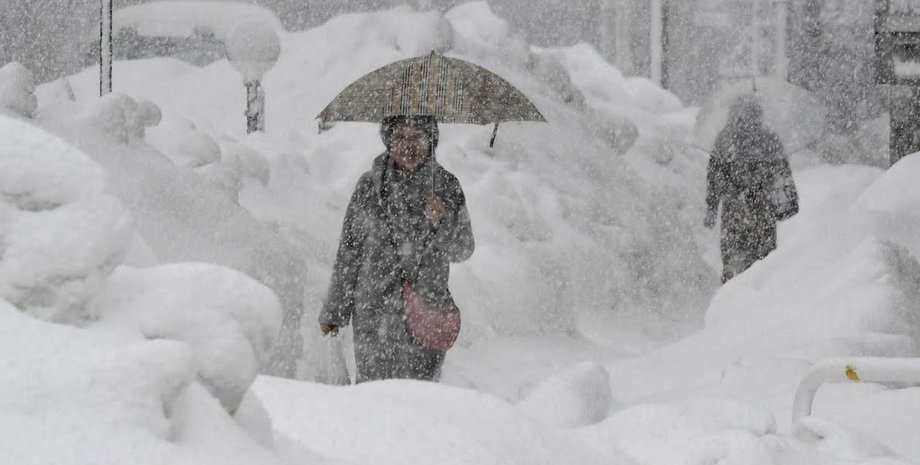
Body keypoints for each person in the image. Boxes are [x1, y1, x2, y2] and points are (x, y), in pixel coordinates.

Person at [319, 115, 475, 382]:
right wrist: (335, 311)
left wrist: (443, 221)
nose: (408, 145)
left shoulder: (447, 187)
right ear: (388, 140)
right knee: (374, 398)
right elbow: (349, 251)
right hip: (374, 313)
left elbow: (463, 249)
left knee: (419, 401)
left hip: (426, 310)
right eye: (400, 137)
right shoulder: (368, 186)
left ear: (431, 140)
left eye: (417, 137)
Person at [704, 95, 796, 283]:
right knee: (764, 261)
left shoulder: (724, 139)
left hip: (733, 209)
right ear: (759, 114)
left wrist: (712, 207)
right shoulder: (769, 138)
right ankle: (758, 297)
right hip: (763, 208)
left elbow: (714, 176)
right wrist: (786, 202)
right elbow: (781, 173)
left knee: (733, 256)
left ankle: (731, 293)